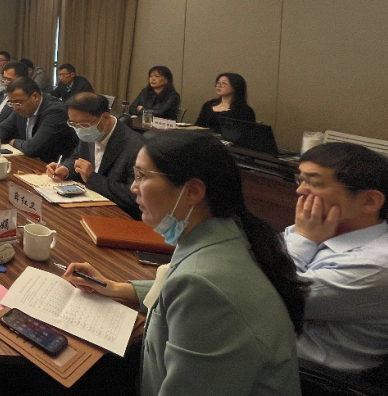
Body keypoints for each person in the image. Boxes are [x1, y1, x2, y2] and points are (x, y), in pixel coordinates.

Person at [62, 131, 307, 396]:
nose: (133, 187)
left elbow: (196, 287)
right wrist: (115, 288)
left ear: (192, 191)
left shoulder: (204, 287)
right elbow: (175, 284)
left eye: (142, 176)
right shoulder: (225, 234)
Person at [284, 142, 388, 374]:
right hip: (272, 348)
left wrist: (303, 239)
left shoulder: (377, 265)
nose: (300, 191)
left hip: (307, 375)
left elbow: (263, 296)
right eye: (300, 180)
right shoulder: (316, 228)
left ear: (370, 201)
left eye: (314, 183)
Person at [45, 92, 144, 219]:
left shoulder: (136, 147)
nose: (79, 129)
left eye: (84, 124)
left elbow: (135, 196)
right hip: (90, 208)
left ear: (105, 117)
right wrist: (65, 169)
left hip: (119, 216)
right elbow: (77, 158)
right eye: (73, 124)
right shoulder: (88, 132)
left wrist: (92, 178)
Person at [0, 76, 77, 162]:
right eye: (11, 103)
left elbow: (32, 148)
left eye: (18, 103)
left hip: (54, 166)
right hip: (29, 161)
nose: (15, 108)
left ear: (35, 97)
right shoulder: (20, 107)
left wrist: (14, 142)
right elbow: (2, 128)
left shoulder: (55, 112)